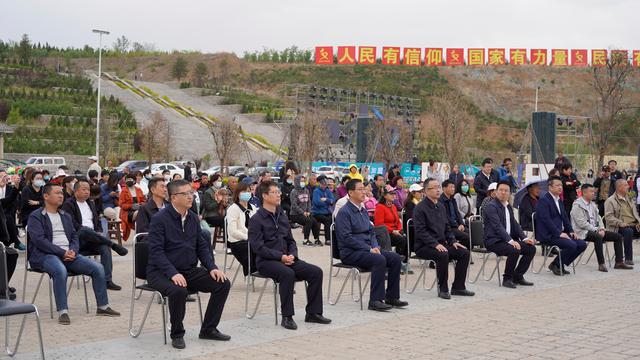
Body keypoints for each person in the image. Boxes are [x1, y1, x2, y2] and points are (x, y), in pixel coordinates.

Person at [147, 179, 231, 349]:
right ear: (173, 198)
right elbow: (156, 252)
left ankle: (208, 329)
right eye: (185, 194)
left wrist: (212, 268)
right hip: (161, 272)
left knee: (222, 283)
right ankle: (177, 333)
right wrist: (172, 273)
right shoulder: (160, 219)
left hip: (188, 270)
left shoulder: (192, 217)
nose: (190, 196)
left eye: (191, 192)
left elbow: (201, 247)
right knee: (179, 290)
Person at [27, 183, 120, 325]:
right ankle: (63, 311)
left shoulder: (65, 216)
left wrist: (73, 251)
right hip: (45, 255)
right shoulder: (36, 216)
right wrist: (62, 252)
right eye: (57, 193)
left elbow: (74, 236)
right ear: (46, 196)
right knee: (60, 270)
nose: (61, 196)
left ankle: (103, 306)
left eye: (62, 193)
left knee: (98, 268)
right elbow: (40, 241)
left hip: (68, 254)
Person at [248, 180, 331, 330]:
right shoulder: (256, 219)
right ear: (265, 196)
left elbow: (291, 240)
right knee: (287, 274)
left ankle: (313, 313)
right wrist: (280, 257)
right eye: (274, 192)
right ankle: (287, 316)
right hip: (266, 262)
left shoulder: (282, 216)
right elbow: (258, 247)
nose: (278, 195)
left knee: (315, 272)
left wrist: (292, 254)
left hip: (287, 258)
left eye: (278, 192)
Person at [335, 179, 408, 311]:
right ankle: (375, 300)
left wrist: (375, 246)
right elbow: (346, 238)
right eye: (360, 189)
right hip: (351, 252)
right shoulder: (344, 212)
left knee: (395, 258)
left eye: (364, 189)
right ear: (351, 192)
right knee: (379, 259)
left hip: (367, 250)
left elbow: (371, 232)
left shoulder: (362, 210)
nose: (364, 192)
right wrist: (369, 249)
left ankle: (392, 297)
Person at [61, 179, 128, 290]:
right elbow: (73, 225)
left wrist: (98, 231)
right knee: (84, 230)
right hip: (78, 240)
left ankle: (107, 280)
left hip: (92, 239)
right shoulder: (69, 204)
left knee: (104, 248)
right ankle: (114, 245)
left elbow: (97, 222)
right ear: (76, 191)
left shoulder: (90, 203)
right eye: (84, 189)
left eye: (88, 189)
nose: (87, 192)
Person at [413, 178, 474, 299]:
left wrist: (453, 241)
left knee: (464, 253)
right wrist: (435, 244)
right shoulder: (420, 208)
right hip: (424, 246)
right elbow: (420, 231)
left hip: (442, 244)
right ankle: (443, 288)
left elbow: (447, 228)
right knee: (443, 254)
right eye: (434, 188)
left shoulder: (440, 206)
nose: (437, 190)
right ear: (426, 191)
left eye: (438, 187)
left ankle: (458, 287)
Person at [483, 181, 536, 288]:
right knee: (514, 249)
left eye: (506, 191)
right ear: (496, 192)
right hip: (494, 241)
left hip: (507, 240)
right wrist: (511, 241)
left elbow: (515, 224)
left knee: (531, 248)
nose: (503, 192)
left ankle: (518, 276)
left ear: (509, 193)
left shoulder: (508, 206)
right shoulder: (491, 206)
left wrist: (524, 238)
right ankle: (507, 278)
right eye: (501, 190)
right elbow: (497, 226)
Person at [535, 176, 587, 275]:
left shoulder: (559, 200)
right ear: (550, 187)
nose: (560, 187)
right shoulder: (543, 201)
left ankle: (558, 263)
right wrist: (559, 233)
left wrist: (571, 231)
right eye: (557, 185)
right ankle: (557, 264)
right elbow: (546, 220)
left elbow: (565, 218)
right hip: (548, 235)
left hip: (560, 233)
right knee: (571, 245)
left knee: (581, 244)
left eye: (561, 185)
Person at [571, 184, 631, 272]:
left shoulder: (592, 204)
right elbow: (581, 223)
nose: (593, 194)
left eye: (594, 191)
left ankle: (619, 262)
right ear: (584, 193)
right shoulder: (577, 205)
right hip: (582, 231)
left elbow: (599, 218)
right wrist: (597, 230)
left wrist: (602, 228)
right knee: (598, 237)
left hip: (596, 230)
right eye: (591, 192)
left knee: (618, 237)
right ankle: (601, 264)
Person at [604, 179, 640, 266]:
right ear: (619, 187)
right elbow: (609, 217)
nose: (628, 186)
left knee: (631, 229)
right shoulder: (610, 201)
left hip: (633, 224)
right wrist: (620, 223)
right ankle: (628, 259)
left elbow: (635, 214)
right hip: (618, 226)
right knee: (628, 231)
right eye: (626, 185)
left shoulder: (629, 199)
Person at [374, 185, 409, 272]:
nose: (394, 195)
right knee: (402, 240)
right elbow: (379, 225)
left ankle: (403, 261)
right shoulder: (380, 207)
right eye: (391, 194)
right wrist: (393, 231)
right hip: (385, 233)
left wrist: (399, 229)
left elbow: (398, 221)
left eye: (394, 193)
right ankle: (397, 261)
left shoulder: (393, 206)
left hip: (395, 231)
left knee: (406, 238)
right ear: (385, 195)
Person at [226, 182, 257, 276]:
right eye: (244, 191)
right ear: (237, 193)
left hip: (253, 239)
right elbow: (233, 231)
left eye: (249, 191)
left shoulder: (253, 208)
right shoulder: (233, 209)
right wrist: (249, 237)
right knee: (254, 248)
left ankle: (274, 272)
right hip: (238, 242)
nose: (247, 193)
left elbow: (257, 226)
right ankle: (254, 269)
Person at [289, 175, 321, 246]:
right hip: (295, 214)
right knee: (308, 221)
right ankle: (306, 240)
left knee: (314, 221)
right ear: (297, 182)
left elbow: (309, 202)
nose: (302, 182)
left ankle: (316, 239)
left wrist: (309, 211)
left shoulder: (306, 190)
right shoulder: (293, 192)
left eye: (303, 181)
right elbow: (294, 205)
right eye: (301, 181)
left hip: (306, 213)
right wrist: (303, 212)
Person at [440, 180, 470, 248]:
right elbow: (446, 217)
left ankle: (461, 251)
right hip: (449, 227)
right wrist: (457, 226)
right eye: (451, 187)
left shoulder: (453, 199)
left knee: (471, 233)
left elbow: (457, 213)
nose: (453, 189)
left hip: (457, 225)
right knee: (466, 237)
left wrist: (461, 224)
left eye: (454, 187)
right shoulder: (441, 201)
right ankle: (459, 251)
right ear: (444, 188)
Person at [0, 170, 24, 250]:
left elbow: (12, 201)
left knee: (7, 217)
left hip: (7, 213)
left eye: (5, 176)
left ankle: (13, 242)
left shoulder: (10, 188)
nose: (3, 179)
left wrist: (16, 185)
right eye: (1, 177)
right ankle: (16, 241)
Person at [119, 174, 146, 241]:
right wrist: (131, 206)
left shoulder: (138, 190)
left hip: (138, 210)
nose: (129, 181)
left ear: (134, 180)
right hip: (127, 213)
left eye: (130, 179)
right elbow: (121, 205)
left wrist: (140, 205)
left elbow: (144, 201)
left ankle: (140, 235)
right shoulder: (123, 191)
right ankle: (139, 236)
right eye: (127, 179)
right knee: (140, 213)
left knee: (141, 215)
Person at [312, 175, 334, 246]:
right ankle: (327, 240)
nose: (324, 186)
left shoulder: (328, 191)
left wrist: (325, 200)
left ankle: (332, 238)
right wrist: (327, 203)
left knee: (333, 218)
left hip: (326, 212)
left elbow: (332, 201)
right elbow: (317, 202)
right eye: (322, 184)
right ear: (319, 184)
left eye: (325, 184)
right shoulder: (316, 191)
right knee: (327, 220)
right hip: (317, 212)